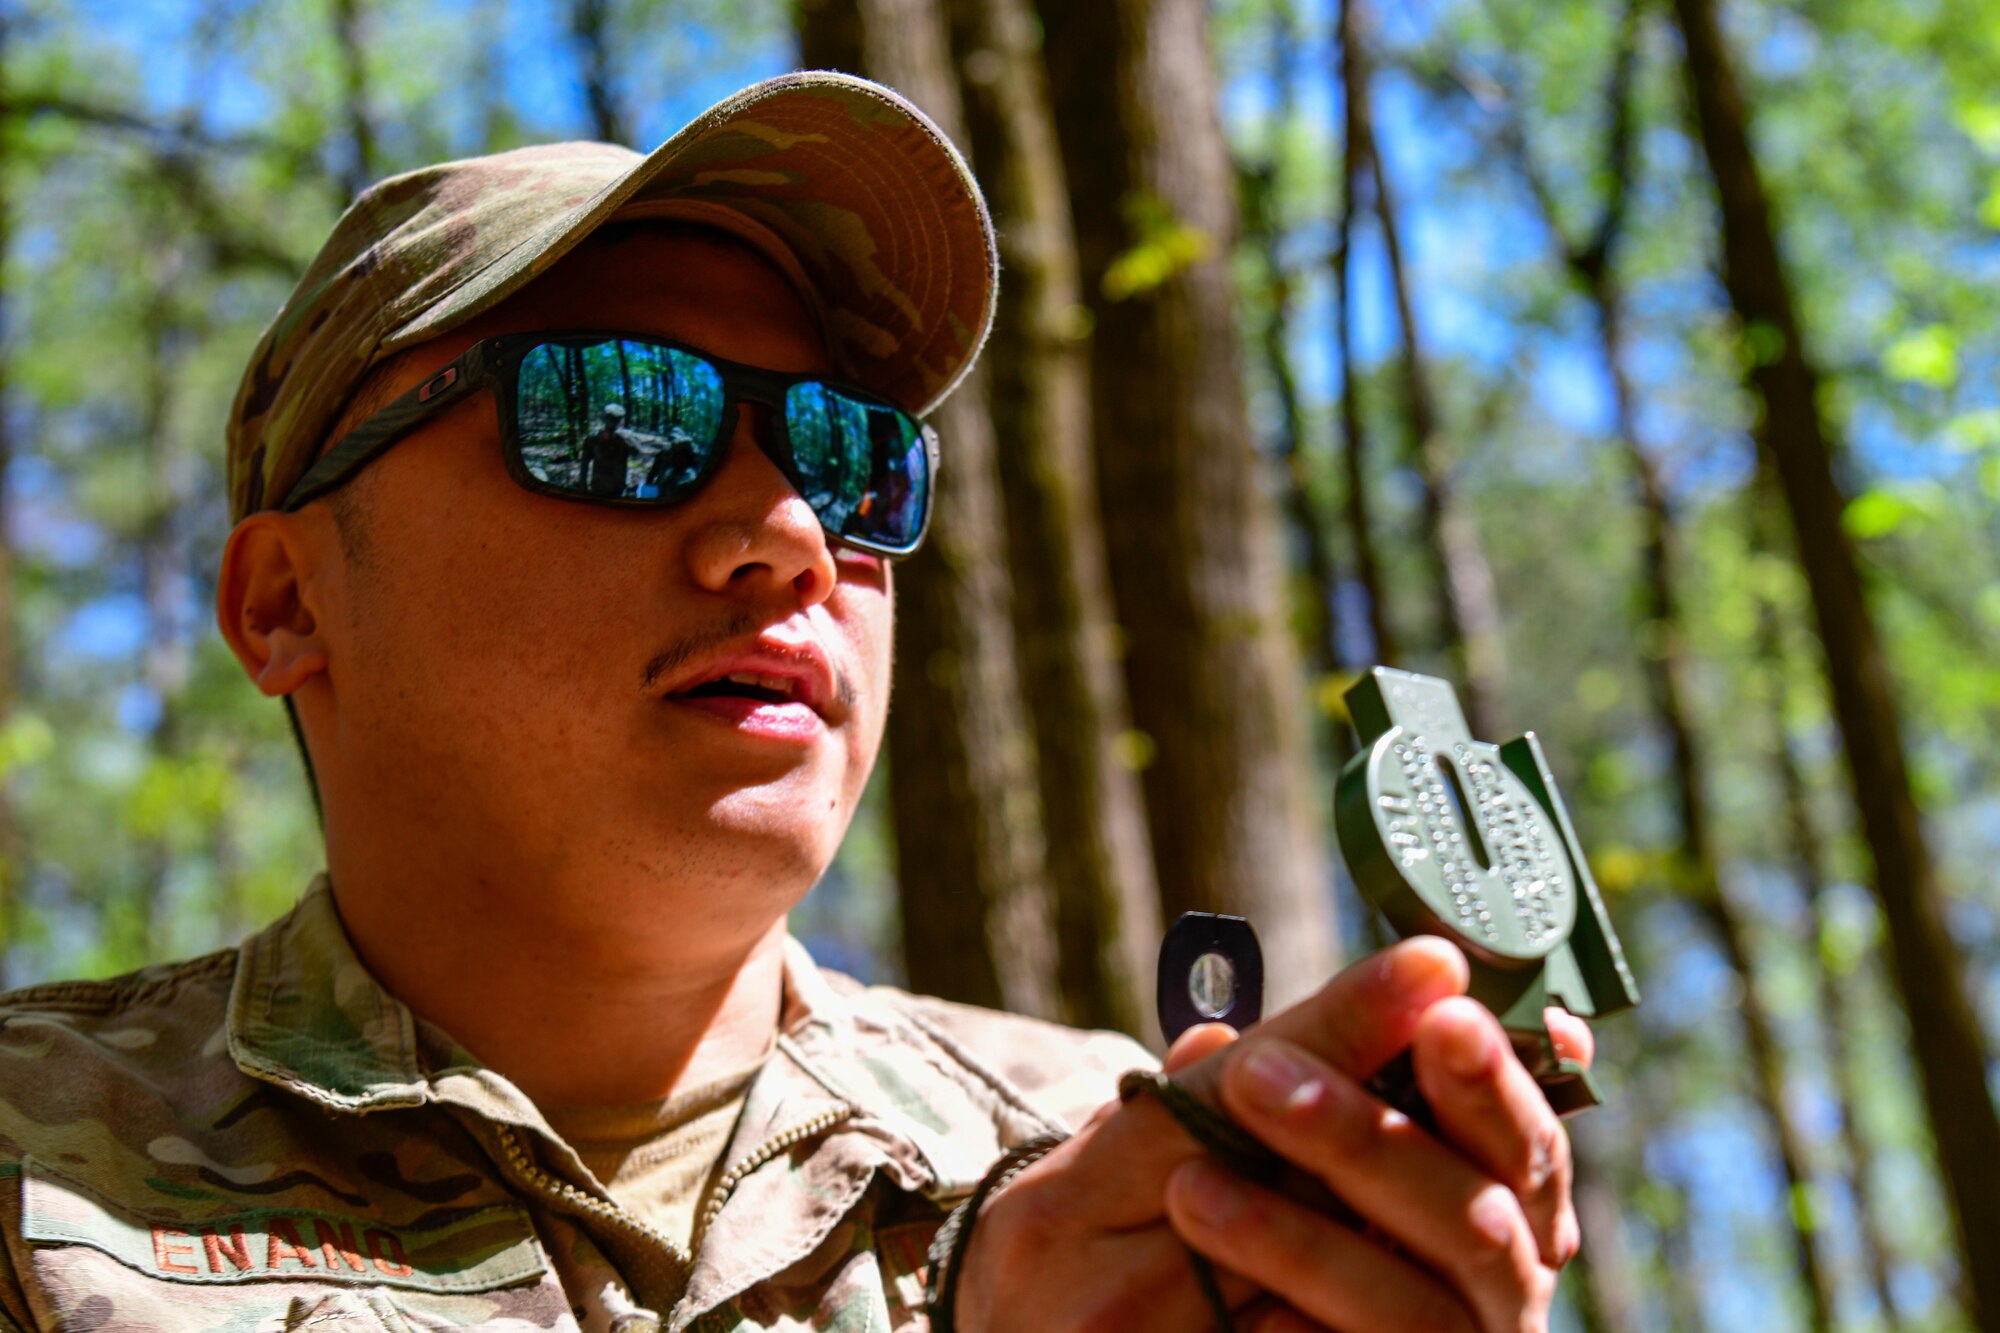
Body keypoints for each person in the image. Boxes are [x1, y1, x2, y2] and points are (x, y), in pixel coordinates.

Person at [0, 72, 1590, 1331]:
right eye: (613, 418)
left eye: (850, 455)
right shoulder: (33, 1164)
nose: (786, 532)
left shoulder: (1119, 1167)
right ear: (286, 601)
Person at [581, 402, 639, 497]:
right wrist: (582, 485)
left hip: (618, 487)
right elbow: (584, 463)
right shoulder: (594, 438)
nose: (611, 423)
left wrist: (621, 438)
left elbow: (636, 453)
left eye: (615, 420)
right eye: (610, 418)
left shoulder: (626, 437)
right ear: (604, 418)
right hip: (599, 487)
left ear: (620, 420)